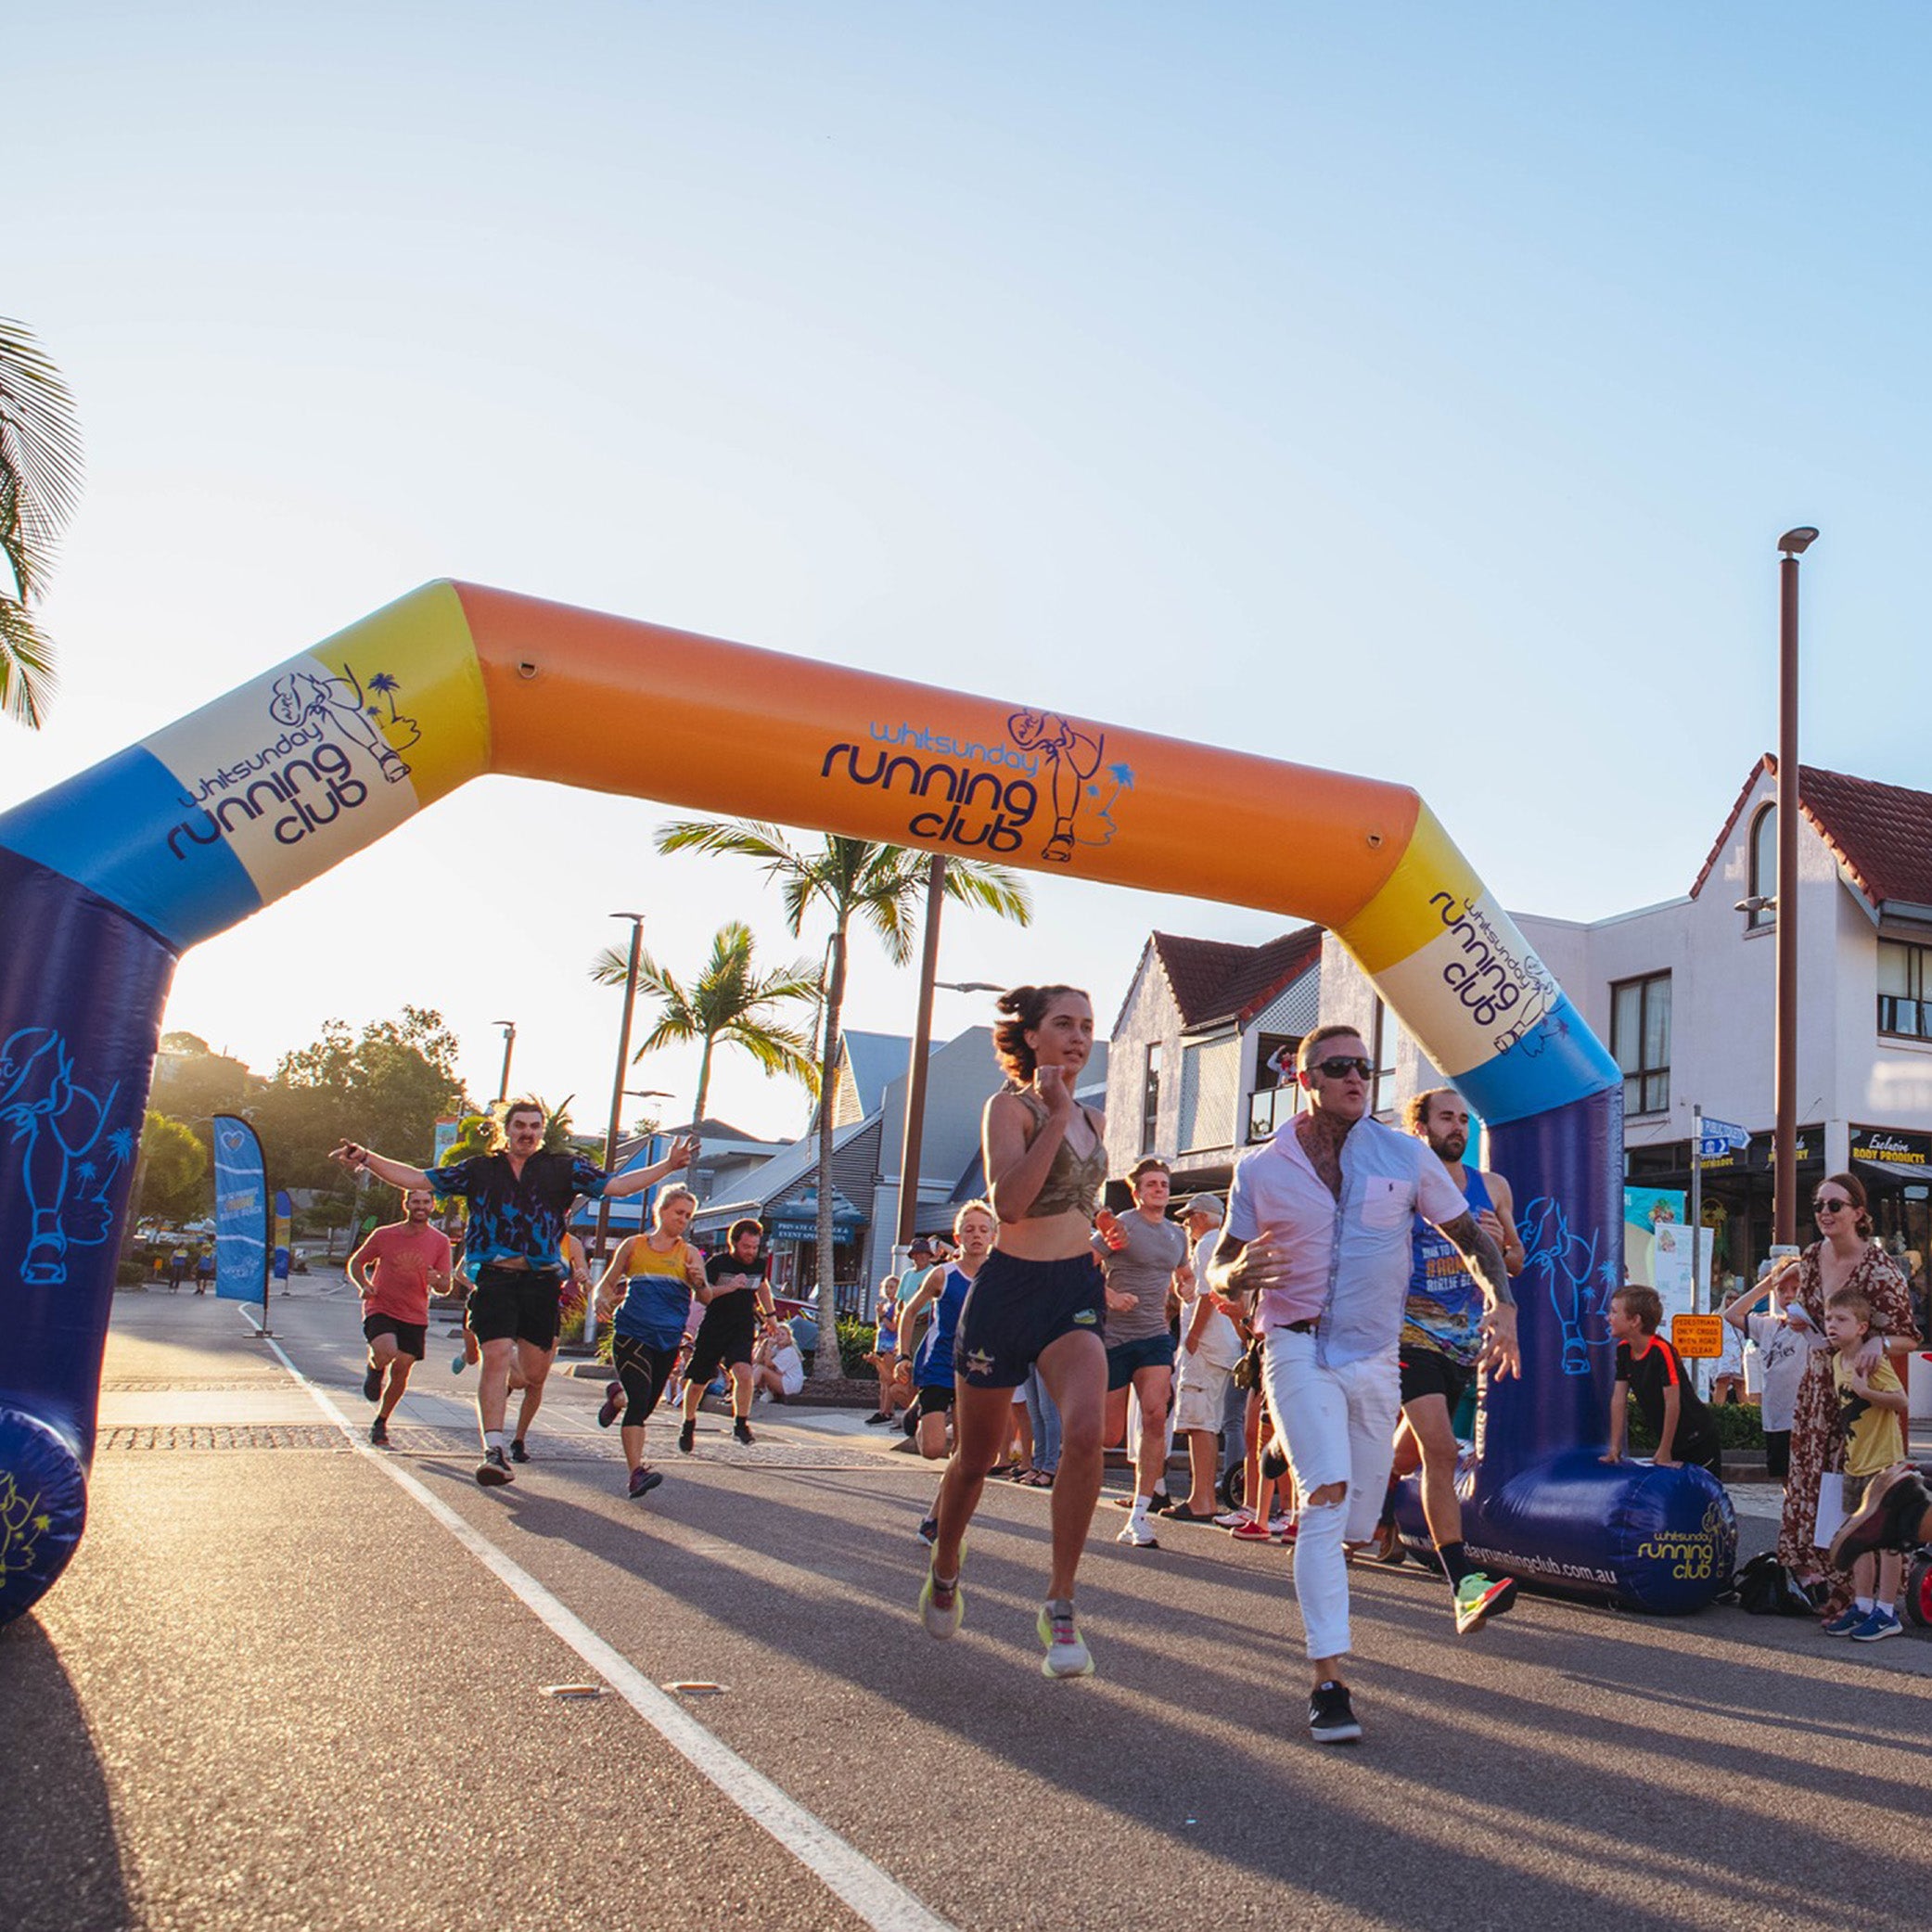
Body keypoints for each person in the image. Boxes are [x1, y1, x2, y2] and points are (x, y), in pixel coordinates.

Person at [1207, 1026, 1517, 1746]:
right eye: (1339, 1067)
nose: (1355, 1077)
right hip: (1296, 1342)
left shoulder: (1403, 1156)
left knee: (1353, 1518)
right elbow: (1222, 1258)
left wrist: (1500, 1301)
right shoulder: (1260, 1168)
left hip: (1376, 1356)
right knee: (1327, 1497)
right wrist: (1232, 1276)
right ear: (1305, 1080)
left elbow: (1471, 1239)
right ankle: (1328, 1682)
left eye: (1363, 1067)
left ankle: (1298, 1453)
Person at [330, 1105, 694, 1488]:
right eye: (519, 1126)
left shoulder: (562, 1169)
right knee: (497, 1357)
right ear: (506, 1130)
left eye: (534, 1127)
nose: (527, 1132)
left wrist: (667, 1167)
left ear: (541, 1133)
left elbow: (617, 1185)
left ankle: (505, 1416)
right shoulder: (479, 1170)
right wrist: (367, 1159)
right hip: (495, 1278)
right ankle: (494, 1450)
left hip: (540, 1282)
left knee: (534, 1374)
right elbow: (417, 1176)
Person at [920, 985, 1109, 1679]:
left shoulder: (1093, 1116)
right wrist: (1055, 1117)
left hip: (1072, 1294)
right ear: (1031, 1035)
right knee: (975, 1456)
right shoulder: (1010, 1107)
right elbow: (1008, 1202)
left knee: (1086, 1431)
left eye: (1086, 1025)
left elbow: (1076, 1199)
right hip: (1006, 1293)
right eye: (1063, 1023)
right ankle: (945, 1564)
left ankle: (1060, 1602)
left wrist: (1101, 1230)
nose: (1077, 1036)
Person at [1364, 1089, 1526, 1632]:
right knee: (1439, 1451)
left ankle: (1367, 1494)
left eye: (1463, 1119)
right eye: (1446, 1118)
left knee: (1405, 1456)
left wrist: (1503, 1246)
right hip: (1408, 1332)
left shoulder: (1493, 1186)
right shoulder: (1402, 1184)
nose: (1457, 1127)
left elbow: (1518, 1260)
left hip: (1463, 1340)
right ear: (1421, 1128)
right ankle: (1464, 1584)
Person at [1775, 1172, 1920, 1616]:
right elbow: (1822, 1318)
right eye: (1819, 1204)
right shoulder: (1812, 1256)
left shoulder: (1880, 1269)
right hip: (1818, 1386)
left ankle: (1863, 1595)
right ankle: (1821, 1580)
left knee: (1855, 1488)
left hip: (1859, 1395)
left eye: (1835, 1205)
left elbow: (1909, 1337)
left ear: (1859, 1213)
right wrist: (1801, 1320)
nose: (1824, 1212)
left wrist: (1878, 1342)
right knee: (1813, 1483)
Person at [1094, 1158, 1192, 1547]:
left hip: (1154, 1336)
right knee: (1109, 1434)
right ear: (1137, 1192)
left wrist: (1184, 1288)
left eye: (1164, 1184)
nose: (1159, 1190)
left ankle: (1139, 1515)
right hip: (1115, 1338)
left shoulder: (1177, 1235)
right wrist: (1111, 1296)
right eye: (1151, 1184)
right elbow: (1081, 1267)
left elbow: (1183, 1274)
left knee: (1155, 1416)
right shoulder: (1123, 1225)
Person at [594, 1185, 708, 1498]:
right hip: (632, 1333)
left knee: (643, 1405)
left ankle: (617, 1397)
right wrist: (599, 1300)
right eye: (678, 1213)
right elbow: (606, 1282)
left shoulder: (690, 1253)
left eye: (688, 1215)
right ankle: (636, 1474)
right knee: (640, 1400)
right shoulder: (634, 1246)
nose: (683, 1220)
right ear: (661, 1211)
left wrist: (699, 1281)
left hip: (667, 1339)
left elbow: (707, 1296)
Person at [1817, 1286, 1911, 1641]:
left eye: (1841, 1319)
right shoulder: (1836, 1360)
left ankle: (1887, 1611)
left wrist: (1866, 1393)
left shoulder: (1872, 1361)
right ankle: (1863, 1604)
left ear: (1861, 1327)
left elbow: (1900, 1400)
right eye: (1829, 1318)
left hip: (1884, 1464)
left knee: (1887, 1540)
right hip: (1855, 1463)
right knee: (1859, 1539)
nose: (1832, 1325)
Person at [899, 1202, 995, 1542]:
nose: (977, 1236)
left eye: (984, 1230)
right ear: (958, 1236)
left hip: (979, 1369)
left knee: (966, 1457)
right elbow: (909, 1313)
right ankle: (921, 1413)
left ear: (993, 1236)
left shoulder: (999, 1275)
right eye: (969, 1230)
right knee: (933, 1449)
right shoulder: (943, 1275)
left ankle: (934, 1519)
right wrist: (902, 1355)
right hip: (940, 1365)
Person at [347, 1186, 453, 1447]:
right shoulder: (385, 1235)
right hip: (381, 1306)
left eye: (425, 1202)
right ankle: (375, 1367)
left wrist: (437, 1280)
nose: (420, 1206)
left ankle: (381, 1421)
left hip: (415, 1314)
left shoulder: (440, 1242)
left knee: (402, 1368)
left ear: (432, 1206)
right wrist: (364, 1285)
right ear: (406, 1204)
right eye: (415, 1201)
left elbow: (445, 1286)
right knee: (387, 1351)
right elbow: (356, 1263)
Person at [1167, 1194, 1243, 1525]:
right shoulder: (1223, 1242)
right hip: (1223, 1345)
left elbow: (1206, 1294)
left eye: (1189, 1218)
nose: (1188, 1224)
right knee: (1209, 1421)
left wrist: (1193, 1337)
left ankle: (1202, 1498)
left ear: (1200, 1217)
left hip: (1208, 1345)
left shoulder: (1209, 1243)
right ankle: (1203, 1495)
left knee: (1200, 1421)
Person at [677, 1218, 776, 1452]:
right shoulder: (717, 1263)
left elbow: (763, 1287)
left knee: (743, 1373)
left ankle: (741, 1423)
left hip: (742, 1326)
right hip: (714, 1326)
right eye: (746, 1247)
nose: (750, 1252)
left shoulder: (758, 1265)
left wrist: (770, 1315)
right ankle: (688, 1422)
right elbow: (702, 1295)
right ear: (733, 1243)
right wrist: (729, 1287)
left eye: (754, 1247)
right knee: (699, 1380)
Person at [1602, 1285, 1722, 1476]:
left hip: (1698, 1438)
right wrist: (1615, 1447)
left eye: (1614, 1312)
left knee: (1704, 1496)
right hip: (1674, 1440)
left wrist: (1665, 1449)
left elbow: (1672, 1402)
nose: (1609, 1317)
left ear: (1635, 1320)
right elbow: (1619, 1399)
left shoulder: (1661, 1351)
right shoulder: (1624, 1350)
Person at [1723, 1257, 1810, 1483]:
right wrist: (1768, 1283)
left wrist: (1798, 1270)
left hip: (1802, 1418)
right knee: (1784, 1478)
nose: (1788, 1294)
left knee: (1806, 1479)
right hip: (1775, 1417)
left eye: (1795, 1288)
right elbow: (1731, 1314)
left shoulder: (1812, 1325)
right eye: (1782, 1290)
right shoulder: (1769, 1325)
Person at [864, 1275, 904, 1424]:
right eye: (886, 1287)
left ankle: (887, 1411)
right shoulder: (886, 1304)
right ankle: (882, 1409)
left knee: (888, 1378)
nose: (889, 1291)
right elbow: (880, 1325)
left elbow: (893, 1326)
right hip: (881, 1343)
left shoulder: (898, 1306)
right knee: (882, 1379)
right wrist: (879, 1314)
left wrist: (883, 1317)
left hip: (891, 1345)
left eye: (892, 1287)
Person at [752, 1319, 807, 1402]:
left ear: (789, 1337)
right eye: (777, 1334)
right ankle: (768, 1393)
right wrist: (764, 1344)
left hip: (790, 1384)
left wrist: (769, 1346)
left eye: (783, 1334)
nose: (780, 1337)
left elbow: (768, 1364)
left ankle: (746, 1390)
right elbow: (758, 1360)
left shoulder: (789, 1351)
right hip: (782, 1380)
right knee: (756, 1367)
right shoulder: (776, 1348)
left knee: (761, 1369)